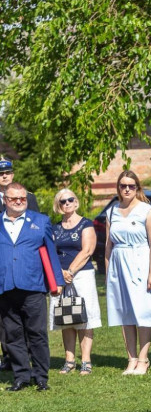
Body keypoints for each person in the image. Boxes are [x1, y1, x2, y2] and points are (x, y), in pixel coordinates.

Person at [105, 170, 151, 376]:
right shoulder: (111, 211)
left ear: (137, 188)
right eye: (123, 185)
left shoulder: (146, 211)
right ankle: (131, 358)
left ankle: (143, 358)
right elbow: (108, 246)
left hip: (140, 262)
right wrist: (108, 273)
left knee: (143, 311)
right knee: (125, 313)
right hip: (118, 264)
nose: (127, 189)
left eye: (131, 186)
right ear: (118, 187)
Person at [0, 182, 61, 390]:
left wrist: (57, 281)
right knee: (12, 335)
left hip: (33, 285)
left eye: (22, 198)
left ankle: (41, 376)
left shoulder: (41, 221)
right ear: (5, 200)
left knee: (37, 333)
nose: (19, 202)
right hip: (5, 286)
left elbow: (51, 253)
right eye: (14, 198)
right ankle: (21, 377)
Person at [49, 188, 102, 375]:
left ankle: (86, 361)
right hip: (60, 276)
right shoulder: (54, 228)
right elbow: (50, 252)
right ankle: (69, 360)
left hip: (82, 274)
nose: (67, 204)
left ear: (76, 202)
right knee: (66, 318)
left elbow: (87, 250)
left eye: (70, 200)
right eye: (62, 201)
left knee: (84, 318)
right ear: (58, 205)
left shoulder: (86, 224)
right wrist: (61, 273)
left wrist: (70, 271)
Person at [0, 157, 38, 372]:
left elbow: (37, 228)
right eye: (0, 174)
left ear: (13, 174)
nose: (4, 176)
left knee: (27, 314)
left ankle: (30, 356)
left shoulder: (28, 198)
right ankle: (9, 356)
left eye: (7, 173)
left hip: (24, 263)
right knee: (4, 317)